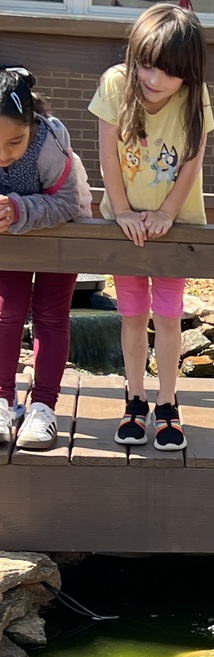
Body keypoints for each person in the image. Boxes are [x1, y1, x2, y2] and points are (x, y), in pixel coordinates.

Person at [88, 3, 214, 451]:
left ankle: (167, 403)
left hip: (174, 228)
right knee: (132, 314)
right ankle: (135, 398)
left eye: (168, 72)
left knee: (169, 314)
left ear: (187, 72)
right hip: (125, 228)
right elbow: (107, 155)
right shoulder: (115, 83)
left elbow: (193, 159)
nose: (154, 79)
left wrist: (167, 214)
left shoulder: (195, 96)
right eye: (146, 65)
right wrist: (122, 212)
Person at [0, 66, 90, 452]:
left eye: (14, 142)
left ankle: (43, 407)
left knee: (52, 314)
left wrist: (18, 208)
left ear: (31, 124)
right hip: (10, 239)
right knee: (5, 311)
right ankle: (2, 401)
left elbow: (67, 203)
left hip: (61, 232)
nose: (4, 156)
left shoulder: (50, 142)